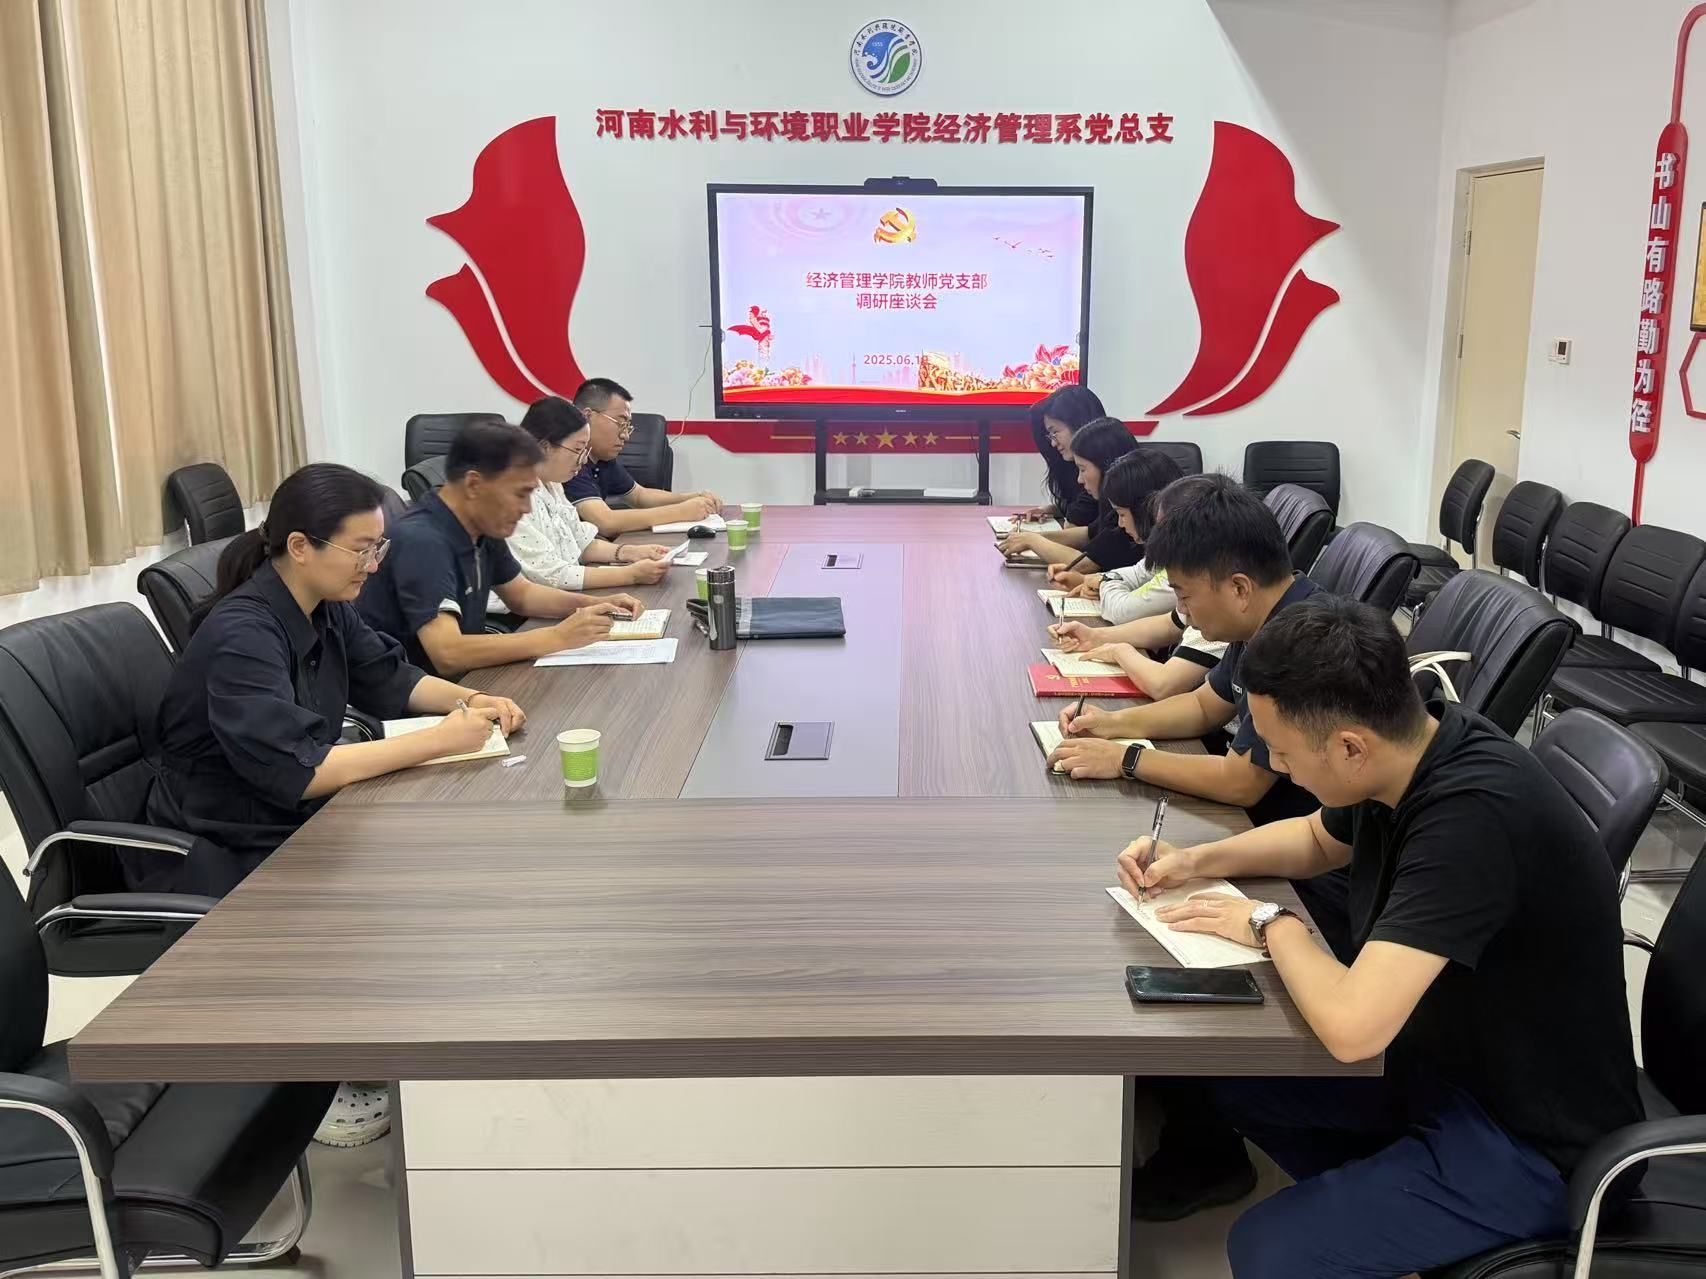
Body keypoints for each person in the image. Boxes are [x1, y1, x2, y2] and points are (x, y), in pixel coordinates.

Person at [1113, 597, 1641, 1278]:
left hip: (1535, 1140)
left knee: (1270, 1252)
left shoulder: (1471, 820)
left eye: (1284, 752)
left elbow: (1353, 1030)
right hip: (1448, 1062)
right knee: (1239, 1080)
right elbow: (1315, 839)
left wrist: (1269, 923)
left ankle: (1393, 1222)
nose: (1279, 767)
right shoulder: (1413, 744)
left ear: (1349, 748)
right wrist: (1193, 859)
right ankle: (1387, 1216)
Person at [1048, 474, 1320, 823]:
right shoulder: (1260, 617)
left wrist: (1123, 759)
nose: (1183, 614)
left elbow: (1240, 783)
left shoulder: (1300, 642)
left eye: (1185, 596)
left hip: (1276, 828)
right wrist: (1111, 723)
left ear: (1239, 589)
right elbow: (1203, 706)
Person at [358, 420, 643, 678]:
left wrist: (593, 606)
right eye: (520, 494)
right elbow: (447, 654)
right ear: (474, 484)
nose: (526, 508)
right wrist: (557, 637)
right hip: (420, 700)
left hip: (468, 681)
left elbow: (522, 595)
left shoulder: (481, 523)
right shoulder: (423, 540)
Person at [1049, 471, 1224, 702]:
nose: (1156, 536)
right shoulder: (1198, 577)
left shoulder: (1217, 603)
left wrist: (1119, 651)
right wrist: (1094, 636)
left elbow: (1165, 685)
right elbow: (1169, 623)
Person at [510, 396, 676, 590]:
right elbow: (553, 575)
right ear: (544, 447)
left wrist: (631, 552)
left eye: (585, 451)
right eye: (578, 450)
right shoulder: (511, 494)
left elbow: (581, 541)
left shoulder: (552, 483)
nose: (583, 461)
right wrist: (631, 574)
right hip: (523, 607)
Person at [568, 377, 723, 535]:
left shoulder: (602, 458)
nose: (626, 436)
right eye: (620, 423)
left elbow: (639, 496)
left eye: (628, 427)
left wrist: (694, 497)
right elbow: (605, 522)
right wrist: (682, 511)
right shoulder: (568, 460)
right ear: (587, 416)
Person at [1000, 417, 1141, 571]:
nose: (1079, 479)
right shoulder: (1112, 503)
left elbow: (1084, 564)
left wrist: (1032, 541)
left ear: (1106, 465)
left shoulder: (1131, 511)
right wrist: (1029, 537)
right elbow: (1088, 533)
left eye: (1083, 469)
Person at [1016, 384, 1106, 526]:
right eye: (1049, 435)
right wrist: (1048, 510)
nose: (1053, 443)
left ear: (1080, 424)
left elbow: (1077, 526)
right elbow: (1076, 508)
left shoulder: (1110, 473)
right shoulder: (1071, 467)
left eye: (1055, 432)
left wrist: (1028, 537)